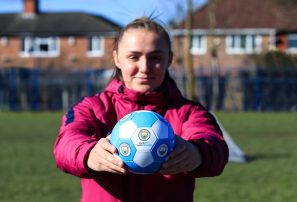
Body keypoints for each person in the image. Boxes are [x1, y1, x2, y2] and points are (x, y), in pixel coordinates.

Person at [53, 16, 228, 202]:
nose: (145, 68)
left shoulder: (189, 112)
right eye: (134, 57)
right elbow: (66, 143)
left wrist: (197, 153)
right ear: (117, 59)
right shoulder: (91, 108)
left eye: (155, 58)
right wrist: (88, 153)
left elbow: (215, 147)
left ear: (169, 59)